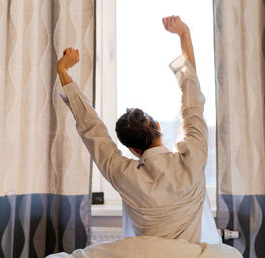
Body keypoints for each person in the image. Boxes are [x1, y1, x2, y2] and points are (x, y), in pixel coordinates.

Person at [56, 16, 220, 244]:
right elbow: (192, 99)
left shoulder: (125, 175)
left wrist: (64, 71)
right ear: (158, 128)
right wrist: (184, 34)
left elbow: (92, 130)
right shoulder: (193, 160)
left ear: (132, 149)